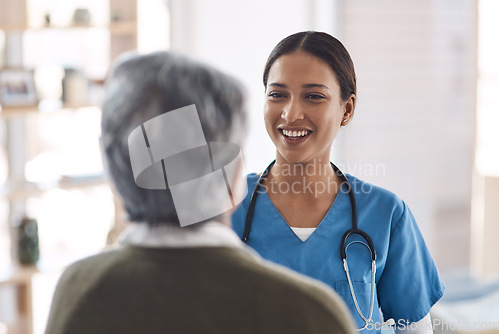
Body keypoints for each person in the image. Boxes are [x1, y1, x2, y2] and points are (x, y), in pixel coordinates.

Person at [45, 51, 356, 334]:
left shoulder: (78, 289)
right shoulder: (309, 313)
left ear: (115, 173)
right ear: (234, 176)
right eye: (277, 94)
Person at [231, 31, 445, 333]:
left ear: (347, 109)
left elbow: (414, 329)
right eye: (277, 94)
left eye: (313, 96)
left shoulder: (386, 215)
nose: (291, 113)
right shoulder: (223, 208)